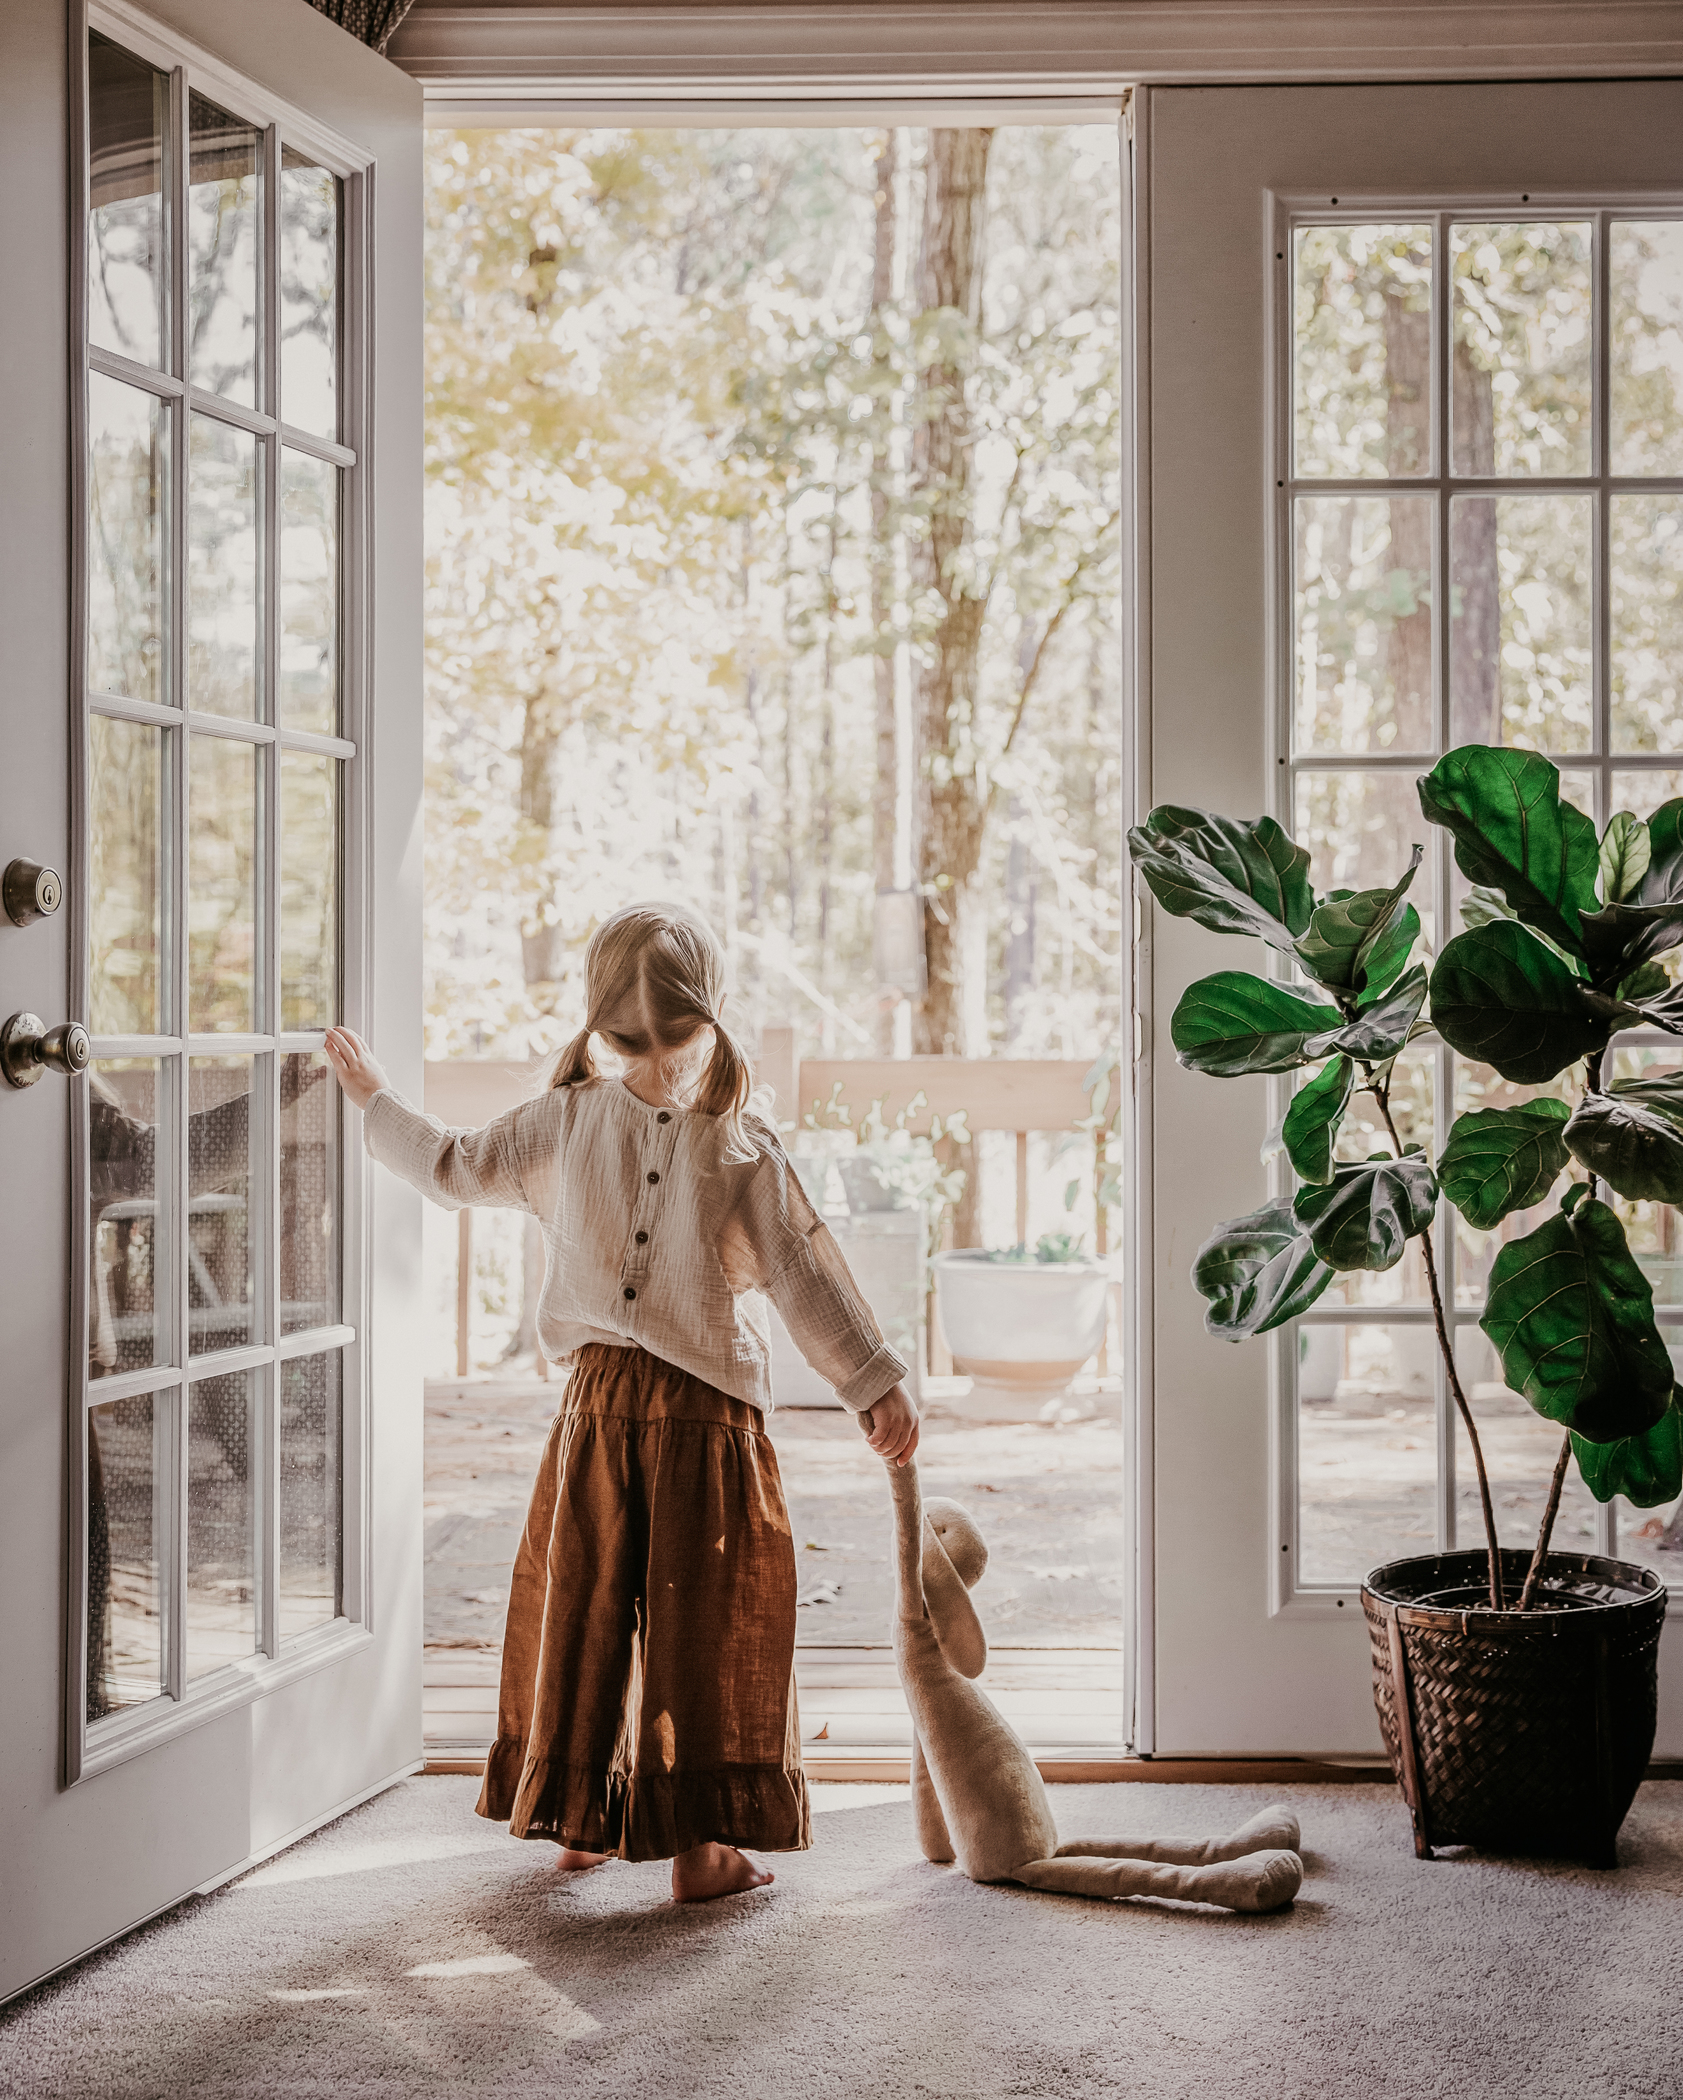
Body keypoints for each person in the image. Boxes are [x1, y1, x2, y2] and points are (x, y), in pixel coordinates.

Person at [324, 901, 919, 1904]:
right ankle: (704, 1850)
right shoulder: (742, 1149)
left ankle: (578, 1827)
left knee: (590, 1613)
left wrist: (373, 1097)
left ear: (603, 1024)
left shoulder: (559, 1121)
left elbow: (447, 1167)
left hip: (596, 1418)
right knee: (709, 1628)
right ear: (709, 1019)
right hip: (707, 1425)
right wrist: (875, 1383)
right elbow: (808, 1278)